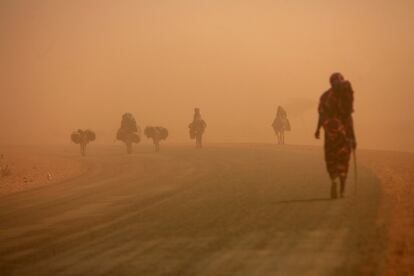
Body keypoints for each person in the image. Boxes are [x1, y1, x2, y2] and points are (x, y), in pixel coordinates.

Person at [315, 73, 356, 199]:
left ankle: (334, 180)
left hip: (331, 135)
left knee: (331, 158)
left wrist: (317, 130)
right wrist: (353, 137)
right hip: (344, 133)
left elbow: (321, 116)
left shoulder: (325, 96)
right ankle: (342, 189)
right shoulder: (346, 96)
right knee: (343, 160)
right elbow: (348, 117)